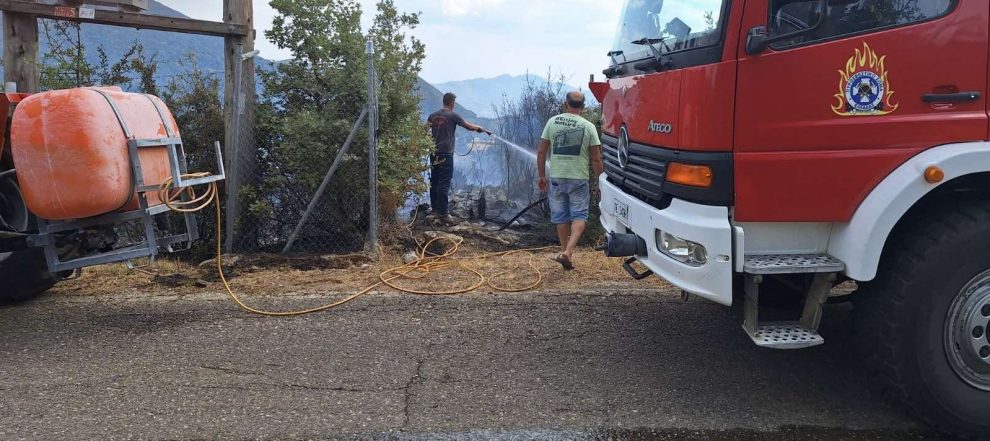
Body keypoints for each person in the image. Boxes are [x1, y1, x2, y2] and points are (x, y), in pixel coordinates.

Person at [537, 91, 604, 270]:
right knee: (579, 216)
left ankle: (564, 252)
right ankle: (569, 252)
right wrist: (599, 182)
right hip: (579, 178)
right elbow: (597, 158)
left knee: (561, 218)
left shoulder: (553, 122)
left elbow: (542, 151)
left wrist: (541, 175)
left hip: (557, 177)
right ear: (582, 107)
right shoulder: (588, 126)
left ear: (565, 104)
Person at [427, 92, 491, 226]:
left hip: (433, 154)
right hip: (446, 154)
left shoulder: (432, 116)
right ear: (451, 103)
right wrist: (481, 129)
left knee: (434, 181)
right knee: (444, 183)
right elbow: (468, 126)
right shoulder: (453, 115)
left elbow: (423, 130)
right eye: (454, 102)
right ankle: (444, 214)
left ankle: (434, 210)